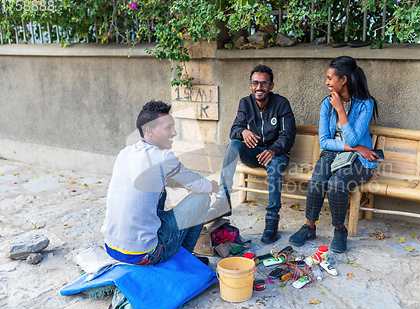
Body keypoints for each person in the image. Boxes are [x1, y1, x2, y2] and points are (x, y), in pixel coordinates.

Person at [101, 100, 219, 265]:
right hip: (144, 254)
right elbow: (199, 185)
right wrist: (213, 186)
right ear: (149, 131)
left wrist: (182, 184)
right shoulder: (163, 158)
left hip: (112, 247)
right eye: (168, 128)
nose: (174, 133)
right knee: (202, 198)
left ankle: (177, 252)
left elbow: (159, 180)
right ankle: (185, 258)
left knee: (161, 190)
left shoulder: (125, 153)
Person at [288, 56, 380, 253]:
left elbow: (354, 138)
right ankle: (309, 227)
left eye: (330, 78)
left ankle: (339, 230)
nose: (327, 83)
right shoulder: (325, 104)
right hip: (335, 152)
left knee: (336, 184)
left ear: (343, 80)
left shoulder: (365, 104)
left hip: (360, 160)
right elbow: (324, 142)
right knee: (317, 182)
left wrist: (340, 110)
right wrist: (353, 147)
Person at [206, 64, 296, 244]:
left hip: (276, 155)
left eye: (263, 83)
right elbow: (234, 130)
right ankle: (223, 199)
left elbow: (288, 135)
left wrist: (273, 150)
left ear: (271, 85)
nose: (259, 87)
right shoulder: (245, 103)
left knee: (275, 165)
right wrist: (243, 132)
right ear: (250, 85)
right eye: (255, 83)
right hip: (254, 153)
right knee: (233, 144)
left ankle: (272, 219)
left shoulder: (281, 103)